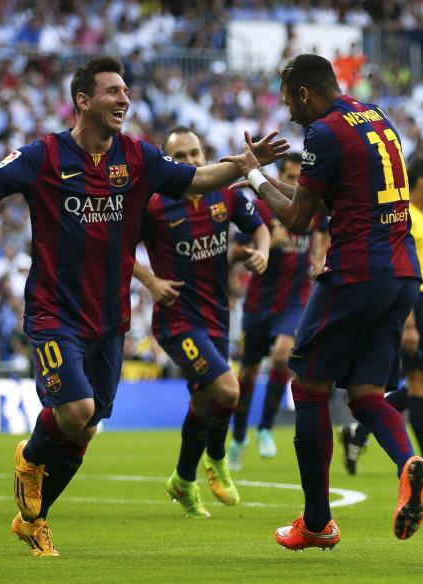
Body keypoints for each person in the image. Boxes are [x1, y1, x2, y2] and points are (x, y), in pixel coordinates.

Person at [0, 56, 284, 556]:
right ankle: (30, 456)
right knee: (74, 410)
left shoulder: (137, 157)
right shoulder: (45, 155)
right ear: (83, 101)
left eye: (126, 91)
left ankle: (33, 520)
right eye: (112, 91)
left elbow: (194, 179)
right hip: (54, 311)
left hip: (109, 318)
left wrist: (243, 166)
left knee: (87, 429)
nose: (124, 98)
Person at [225, 54, 423, 550]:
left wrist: (252, 176)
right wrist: (268, 178)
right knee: (364, 394)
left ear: (302, 94)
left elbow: (296, 220)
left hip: (358, 270)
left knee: (310, 388)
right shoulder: (375, 115)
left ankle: (317, 522)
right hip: (402, 272)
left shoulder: (323, 133)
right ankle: (407, 462)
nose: (291, 115)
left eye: (289, 102)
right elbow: (319, 198)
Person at [132, 126, 273, 517]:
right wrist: (151, 282)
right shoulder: (155, 205)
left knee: (201, 401)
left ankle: (181, 479)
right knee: (227, 391)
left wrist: (261, 252)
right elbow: (119, 249)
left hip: (217, 315)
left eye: (195, 153)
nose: (191, 161)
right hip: (177, 319)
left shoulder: (224, 194)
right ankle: (216, 457)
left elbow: (260, 226)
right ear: (167, 163)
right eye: (180, 156)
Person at [339, 157, 423, 477]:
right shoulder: (407, 216)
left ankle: (360, 434)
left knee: (417, 384)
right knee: (421, 382)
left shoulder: (421, 217)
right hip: (416, 300)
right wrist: (409, 322)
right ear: (422, 181)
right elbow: (403, 267)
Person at [229, 152, 328, 464]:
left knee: (284, 357)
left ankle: (266, 429)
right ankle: (240, 435)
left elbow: (325, 231)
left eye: (300, 178)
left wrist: (319, 259)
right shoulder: (260, 208)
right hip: (259, 304)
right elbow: (235, 251)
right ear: (279, 177)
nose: (294, 183)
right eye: (289, 176)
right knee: (247, 374)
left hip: (293, 302)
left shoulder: (312, 211)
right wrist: (268, 243)